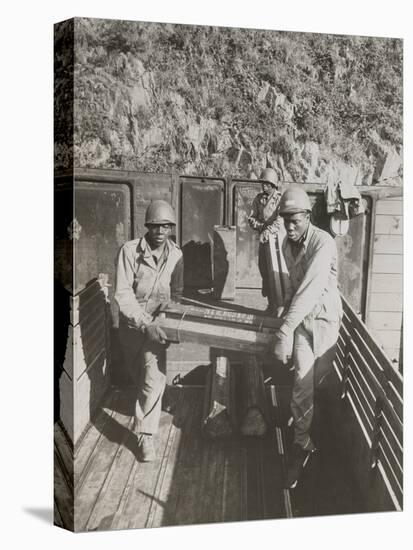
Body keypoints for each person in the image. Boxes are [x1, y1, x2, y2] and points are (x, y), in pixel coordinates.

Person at [271, 185, 342, 489]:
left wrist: (284, 330)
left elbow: (311, 289)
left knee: (320, 384)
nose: (289, 226)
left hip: (325, 323)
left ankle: (320, 440)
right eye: (285, 219)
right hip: (302, 323)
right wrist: (283, 315)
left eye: (295, 220)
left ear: (308, 216)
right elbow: (292, 288)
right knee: (302, 384)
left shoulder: (322, 242)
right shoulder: (288, 245)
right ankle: (302, 446)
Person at [115, 200, 183, 462]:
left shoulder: (176, 255)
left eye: (166, 226)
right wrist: (146, 323)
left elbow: (177, 293)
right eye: (155, 226)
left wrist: (167, 320)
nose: (160, 231)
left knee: (153, 379)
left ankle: (145, 436)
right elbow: (122, 293)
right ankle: (152, 402)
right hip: (133, 326)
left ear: (171, 228)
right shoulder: (129, 252)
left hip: (158, 327)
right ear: (147, 227)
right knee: (139, 375)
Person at [247, 167, 284, 313]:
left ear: (273, 184)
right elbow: (251, 218)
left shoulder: (280, 199)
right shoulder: (258, 199)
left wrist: (267, 230)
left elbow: (280, 220)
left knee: (277, 272)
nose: (264, 186)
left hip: (278, 242)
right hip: (264, 241)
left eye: (267, 184)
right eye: (263, 183)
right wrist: (260, 226)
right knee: (264, 270)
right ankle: (270, 303)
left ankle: (279, 305)